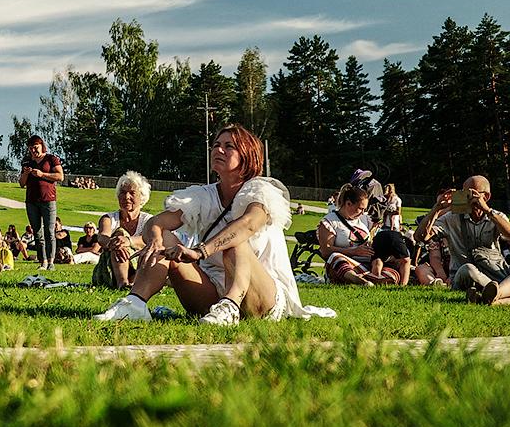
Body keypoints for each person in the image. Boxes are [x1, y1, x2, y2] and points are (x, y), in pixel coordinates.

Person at [95, 125, 334, 324]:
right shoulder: (202, 195)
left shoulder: (261, 191)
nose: (218, 149)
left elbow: (248, 224)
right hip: (209, 293)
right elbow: (157, 222)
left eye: (229, 146)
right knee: (165, 239)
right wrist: (155, 237)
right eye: (216, 145)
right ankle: (136, 303)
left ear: (247, 155)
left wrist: (202, 251)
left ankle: (230, 306)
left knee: (235, 242)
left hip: (259, 294)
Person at [414, 175, 510, 293]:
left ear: (486, 196)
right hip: (463, 275)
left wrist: (487, 211)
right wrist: (437, 208)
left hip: (494, 272)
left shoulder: (496, 216)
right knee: (468, 269)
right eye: (463, 194)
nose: (466, 198)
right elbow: (420, 237)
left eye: (471, 194)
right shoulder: (451, 218)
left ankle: (494, 289)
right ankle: (498, 291)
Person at [317, 184, 400, 286]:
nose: (363, 212)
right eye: (360, 208)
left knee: (392, 270)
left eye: (364, 209)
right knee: (336, 258)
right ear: (348, 204)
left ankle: (370, 278)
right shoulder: (330, 222)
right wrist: (354, 251)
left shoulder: (365, 219)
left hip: (367, 264)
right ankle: (359, 280)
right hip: (345, 265)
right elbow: (326, 251)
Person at [93, 171, 154, 288]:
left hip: (140, 266)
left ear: (141, 197)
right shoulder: (108, 219)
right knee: (118, 237)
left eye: (132, 193)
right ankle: (123, 283)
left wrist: (128, 241)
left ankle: (133, 282)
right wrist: (116, 243)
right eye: (123, 193)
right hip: (109, 269)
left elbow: (150, 239)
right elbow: (102, 237)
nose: (127, 197)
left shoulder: (149, 221)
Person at [20, 135, 63, 270]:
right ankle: (42, 261)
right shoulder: (27, 162)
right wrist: (26, 174)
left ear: (41, 146)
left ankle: (51, 261)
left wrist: (42, 174)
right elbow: (22, 183)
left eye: (36, 147)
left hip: (48, 199)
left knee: (49, 231)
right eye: (31, 148)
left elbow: (60, 176)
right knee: (37, 232)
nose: (34, 150)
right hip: (31, 201)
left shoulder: (51, 159)